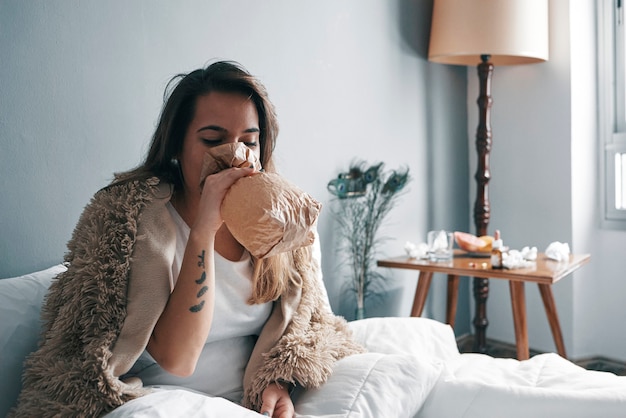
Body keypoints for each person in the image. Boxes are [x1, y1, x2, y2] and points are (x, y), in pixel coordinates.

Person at [11, 61, 364, 418]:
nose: (235, 155)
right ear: (177, 145)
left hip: (246, 403)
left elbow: (310, 329)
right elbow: (177, 359)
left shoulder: (278, 222)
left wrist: (278, 383)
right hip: (153, 401)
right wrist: (204, 230)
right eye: (213, 140)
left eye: (249, 142)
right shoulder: (128, 219)